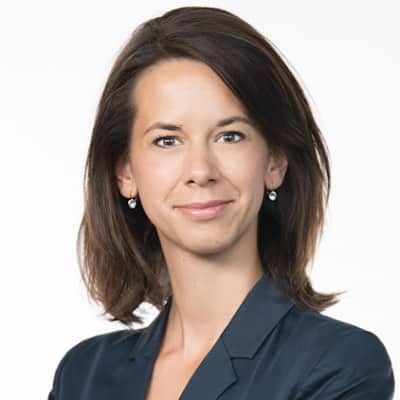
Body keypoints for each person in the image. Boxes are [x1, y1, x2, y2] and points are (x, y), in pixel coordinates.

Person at [48, 6, 395, 400]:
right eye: (167, 140)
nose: (200, 171)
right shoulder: (83, 376)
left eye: (230, 136)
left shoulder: (338, 365)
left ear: (275, 162)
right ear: (125, 173)